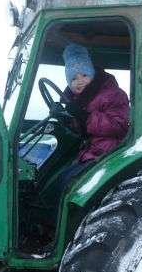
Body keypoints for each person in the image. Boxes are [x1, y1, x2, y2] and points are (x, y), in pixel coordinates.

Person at [49, 43, 130, 206]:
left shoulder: (112, 95)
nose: (79, 81)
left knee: (68, 183)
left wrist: (85, 117)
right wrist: (66, 118)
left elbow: (119, 125)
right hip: (90, 150)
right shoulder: (80, 99)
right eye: (73, 78)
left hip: (109, 151)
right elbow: (82, 129)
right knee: (57, 179)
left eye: (84, 75)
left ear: (93, 74)